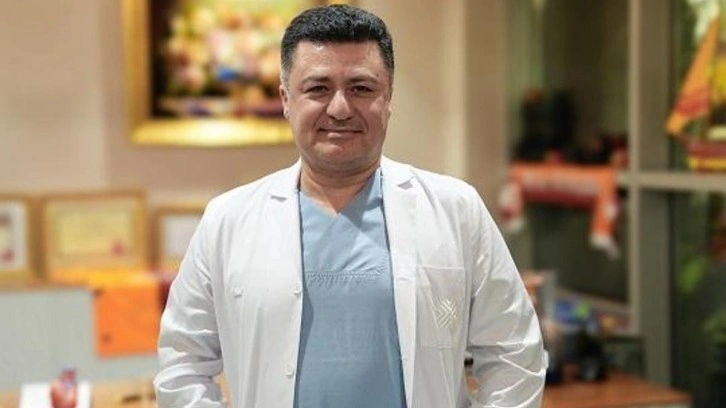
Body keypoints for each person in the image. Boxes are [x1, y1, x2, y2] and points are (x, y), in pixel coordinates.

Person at [154, 4, 545, 408]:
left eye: (361, 88)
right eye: (318, 89)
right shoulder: (227, 221)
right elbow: (182, 362)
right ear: (286, 100)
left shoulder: (456, 211)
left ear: (388, 98)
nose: (340, 108)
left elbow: (514, 354)